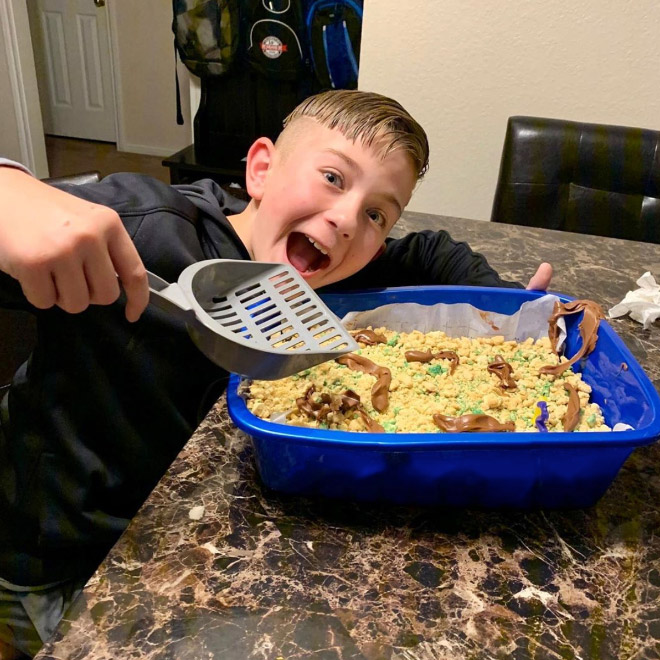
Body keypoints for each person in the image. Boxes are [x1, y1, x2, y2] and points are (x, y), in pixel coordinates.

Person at [0, 89, 552, 658]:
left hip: (195, 535)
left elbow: (433, 252)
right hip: (63, 556)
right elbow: (39, 222)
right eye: (334, 178)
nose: (345, 220)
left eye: (376, 214)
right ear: (261, 169)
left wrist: (516, 307)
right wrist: (13, 194)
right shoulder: (146, 231)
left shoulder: (323, 273)